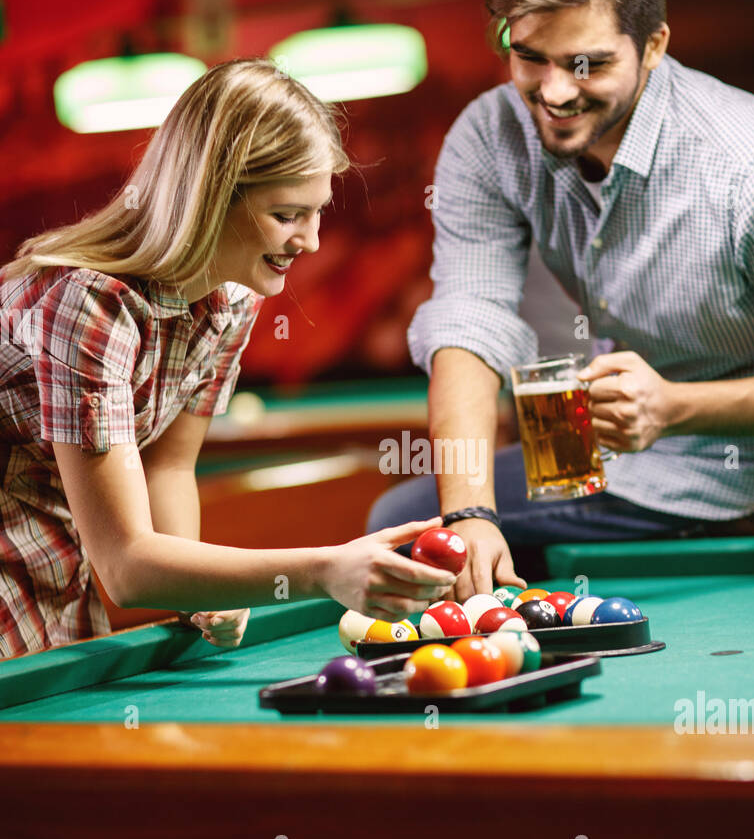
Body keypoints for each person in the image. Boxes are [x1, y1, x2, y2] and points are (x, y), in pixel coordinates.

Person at [366, 0, 754, 598]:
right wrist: (470, 512)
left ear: (655, 45)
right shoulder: (490, 136)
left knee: (403, 521)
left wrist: (674, 407)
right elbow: (469, 320)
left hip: (747, 469)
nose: (553, 91)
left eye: (587, 64)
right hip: (596, 448)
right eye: (529, 55)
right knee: (433, 531)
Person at [0, 59, 456, 659]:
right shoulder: (90, 303)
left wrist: (195, 584)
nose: (312, 241)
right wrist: (323, 571)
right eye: (287, 215)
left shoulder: (231, 302)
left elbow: (167, 468)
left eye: (317, 211)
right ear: (209, 199)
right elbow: (128, 567)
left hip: (62, 561)